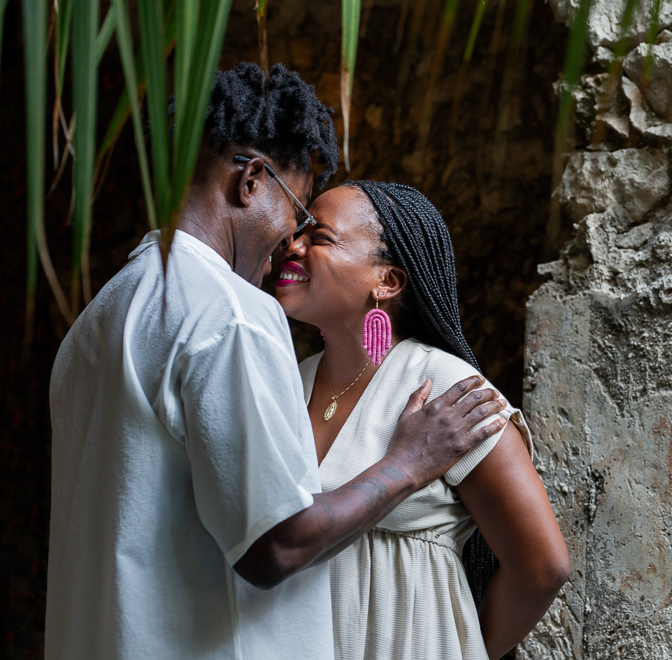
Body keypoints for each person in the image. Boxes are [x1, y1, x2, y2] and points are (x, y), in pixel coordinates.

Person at [45, 63, 506, 660]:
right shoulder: (231, 315)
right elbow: (277, 544)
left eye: (315, 232)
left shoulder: (98, 319)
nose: (289, 243)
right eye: (297, 214)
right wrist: (409, 463)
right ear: (252, 181)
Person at [274, 181, 571, 660]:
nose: (293, 245)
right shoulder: (287, 382)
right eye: (297, 231)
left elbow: (543, 567)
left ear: (386, 282)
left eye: (321, 237)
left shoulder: (446, 386)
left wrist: (465, 649)